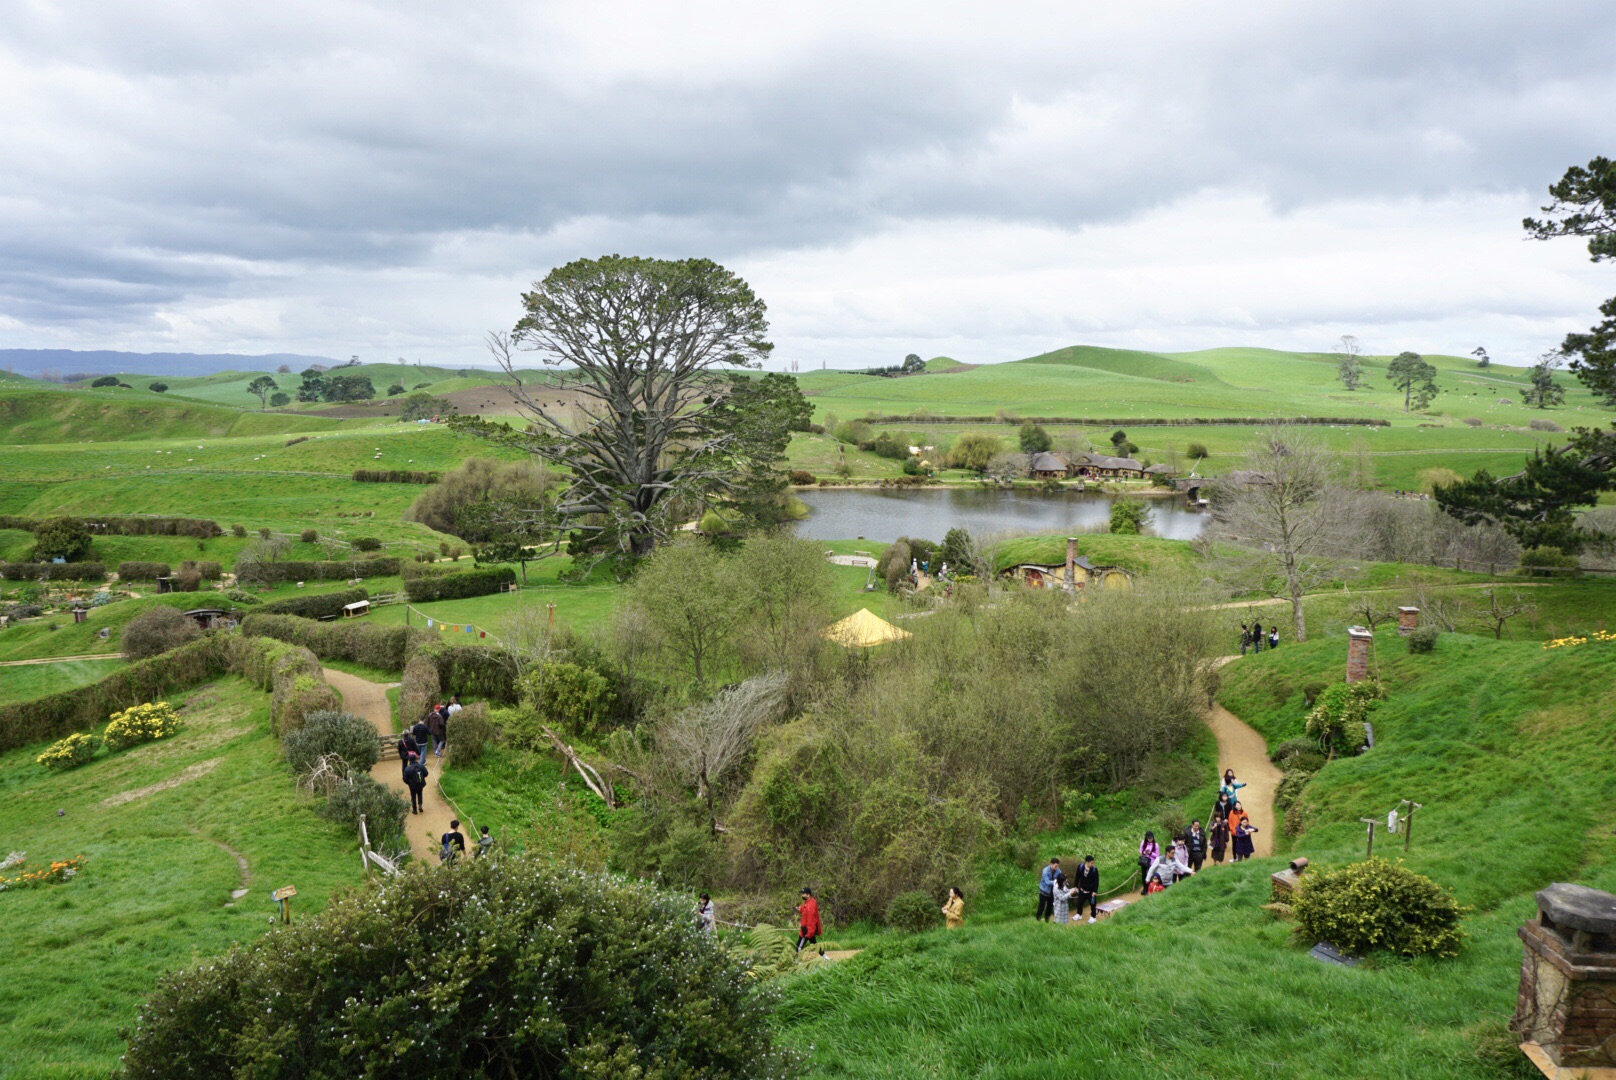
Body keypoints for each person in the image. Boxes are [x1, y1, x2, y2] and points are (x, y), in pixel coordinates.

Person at [1074, 855, 1100, 923]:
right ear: (1087, 862)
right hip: (1082, 890)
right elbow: (1077, 877)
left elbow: (1096, 881)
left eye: (1093, 863)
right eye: (1091, 863)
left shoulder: (1094, 870)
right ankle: (1079, 914)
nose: (1093, 864)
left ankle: (1093, 916)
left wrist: (1095, 891)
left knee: (1093, 904)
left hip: (1091, 891)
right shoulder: (1080, 867)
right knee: (1080, 903)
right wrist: (1076, 886)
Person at [796, 888, 822, 952]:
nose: (802, 895)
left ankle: (798, 961)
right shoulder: (807, 902)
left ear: (808, 895)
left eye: (803, 894)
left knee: (798, 947)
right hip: (806, 929)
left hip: (807, 930)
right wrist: (800, 909)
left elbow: (811, 920)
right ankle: (826, 958)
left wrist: (809, 932)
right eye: (802, 894)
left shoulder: (810, 905)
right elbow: (805, 910)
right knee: (814, 944)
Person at [1138, 832, 1159, 896]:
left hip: (1151, 862)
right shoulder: (1143, 843)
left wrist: (1150, 853)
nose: (1150, 839)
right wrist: (1144, 852)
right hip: (1144, 861)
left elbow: (1157, 855)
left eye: (1151, 838)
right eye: (1149, 838)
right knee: (1144, 875)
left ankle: (1150, 889)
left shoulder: (1156, 845)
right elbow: (1140, 851)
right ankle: (1145, 888)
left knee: (1150, 876)